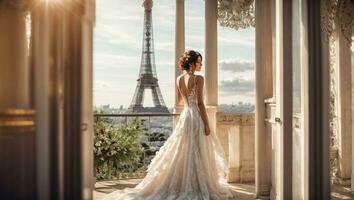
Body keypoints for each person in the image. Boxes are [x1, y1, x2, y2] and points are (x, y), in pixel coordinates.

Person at [104, 50, 235, 200]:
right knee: (197, 149)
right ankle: (195, 182)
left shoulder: (179, 79)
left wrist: (188, 99)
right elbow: (199, 103)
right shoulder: (199, 79)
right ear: (192, 64)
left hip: (186, 116)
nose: (201, 64)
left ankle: (182, 181)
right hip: (196, 117)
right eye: (199, 61)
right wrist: (206, 123)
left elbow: (180, 101)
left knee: (184, 148)